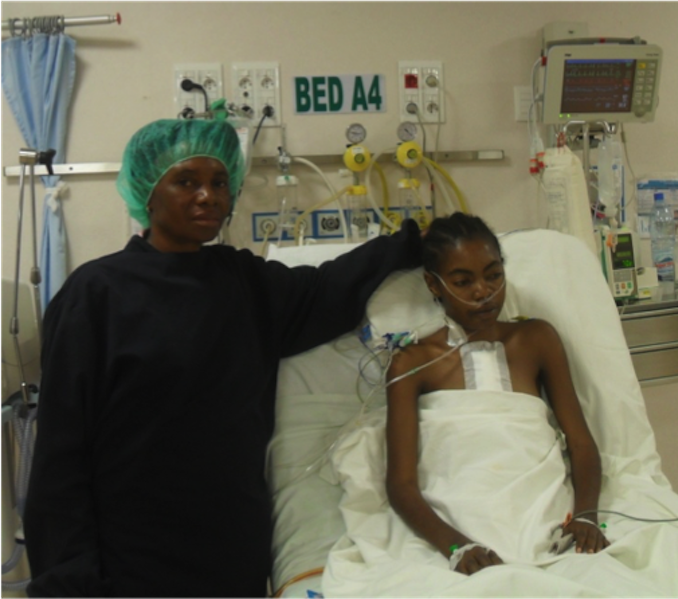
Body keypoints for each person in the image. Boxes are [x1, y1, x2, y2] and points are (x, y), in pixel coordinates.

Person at [23, 118, 423, 599]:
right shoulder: (96, 294)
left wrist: (415, 243)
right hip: (130, 556)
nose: (208, 196)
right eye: (185, 181)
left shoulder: (244, 283)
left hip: (231, 552)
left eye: (218, 182)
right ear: (148, 193)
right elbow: (61, 454)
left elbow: (328, 288)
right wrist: (69, 579)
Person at [384, 212, 608, 576]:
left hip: (542, 510)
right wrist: (456, 546)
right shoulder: (411, 363)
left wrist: (586, 516)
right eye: (463, 281)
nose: (483, 292)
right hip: (457, 515)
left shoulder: (537, 339)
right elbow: (401, 484)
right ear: (433, 284)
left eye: (493, 275)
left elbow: (581, 443)